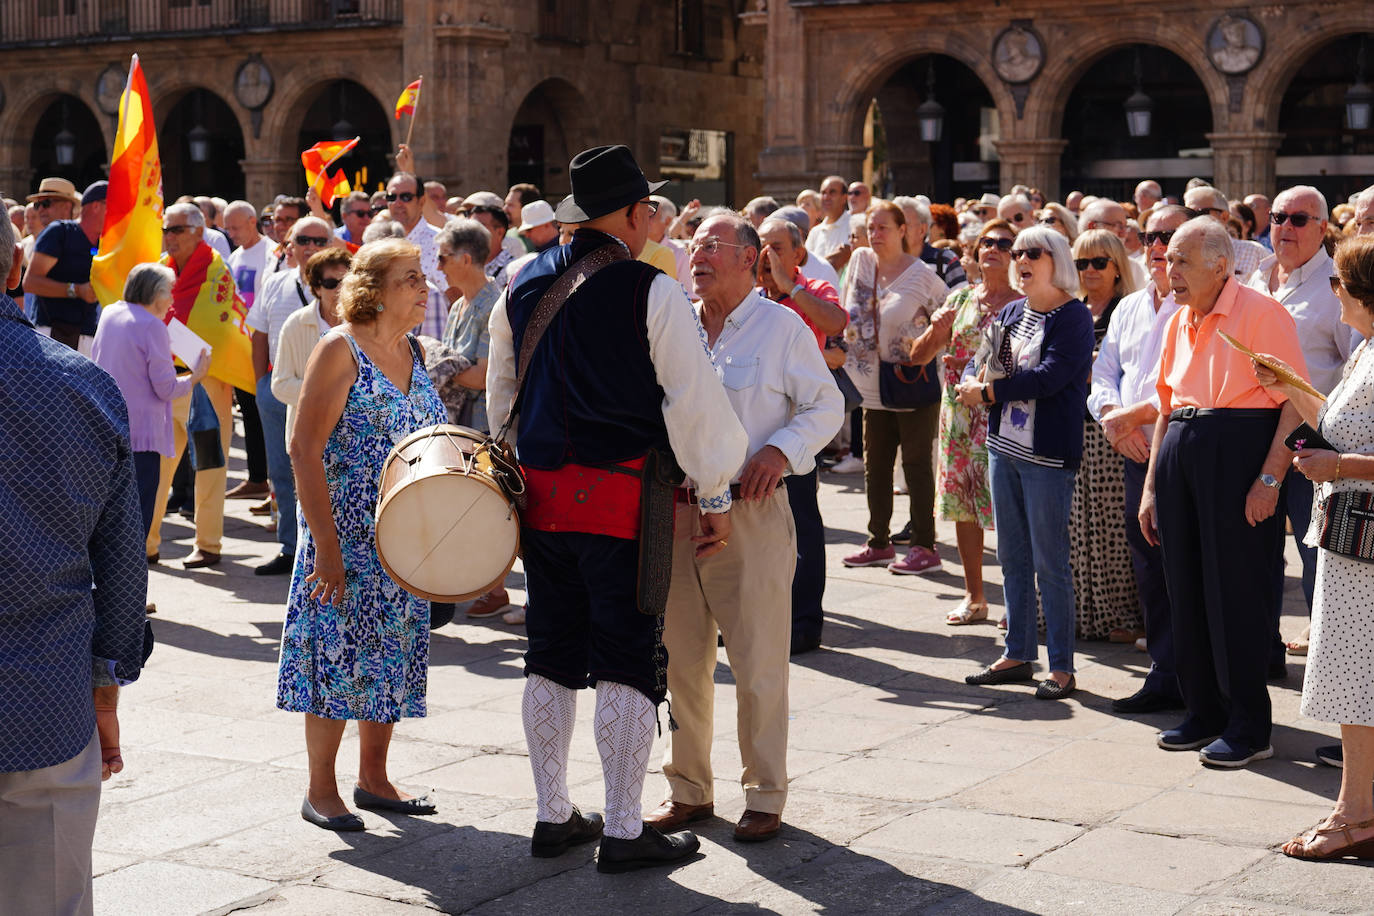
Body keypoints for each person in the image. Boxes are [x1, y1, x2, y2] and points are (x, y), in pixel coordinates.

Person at [486, 144, 747, 872]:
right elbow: (695, 405)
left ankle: (551, 815)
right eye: (648, 209)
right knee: (627, 659)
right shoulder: (649, 287)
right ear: (633, 214)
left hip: (538, 501)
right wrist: (717, 492)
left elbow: (501, 402)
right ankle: (625, 830)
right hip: (620, 499)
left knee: (549, 653)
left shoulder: (518, 282)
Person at [647, 212, 843, 844]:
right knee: (681, 660)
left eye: (713, 246)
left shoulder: (782, 326)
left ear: (750, 259)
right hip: (676, 510)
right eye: (694, 245)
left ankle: (764, 793)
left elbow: (826, 404)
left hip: (752, 512)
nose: (698, 255)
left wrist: (779, 451)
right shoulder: (673, 321)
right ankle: (689, 789)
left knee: (758, 660)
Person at [0, 214, 147, 915]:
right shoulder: (83, 388)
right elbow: (122, 569)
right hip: (44, 694)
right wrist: (105, 690)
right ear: (14, 270)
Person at [277, 237, 447, 831]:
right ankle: (320, 788)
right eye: (409, 277)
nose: (424, 286)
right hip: (342, 538)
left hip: (402, 540)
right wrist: (324, 547)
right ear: (372, 289)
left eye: (423, 276)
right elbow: (303, 448)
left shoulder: (417, 352)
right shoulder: (338, 350)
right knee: (335, 661)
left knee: (390, 657)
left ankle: (374, 778)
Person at [1139, 217, 1309, 768]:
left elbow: (1293, 404)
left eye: (1181, 260)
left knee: (1236, 590)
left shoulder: (1262, 314)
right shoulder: (1176, 321)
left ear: (1220, 265)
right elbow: (1167, 407)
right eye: (1166, 261)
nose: (1169, 270)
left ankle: (1249, 724)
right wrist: (1150, 490)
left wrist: (1269, 478)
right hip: (1181, 450)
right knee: (1184, 587)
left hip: (1239, 453)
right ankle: (1204, 709)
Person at [1259, 235, 1374, 861]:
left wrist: (1342, 464)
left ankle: (1355, 815)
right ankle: (1358, 808)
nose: (1334, 293)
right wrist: (1288, 386)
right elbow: (1334, 419)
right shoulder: (1365, 348)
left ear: (1360, 293)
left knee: (1360, 680)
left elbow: (1343, 447)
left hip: (1366, 543)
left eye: (1341, 284)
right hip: (1350, 541)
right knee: (1359, 679)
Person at [956, 226, 1094, 700]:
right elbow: (988, 360)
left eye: (1032, 252)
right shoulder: (1013, 310)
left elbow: (1052, 377)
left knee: (1049, 561)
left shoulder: (1074, 316)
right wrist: (975, 380)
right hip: (1004, 448)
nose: (1020, 259)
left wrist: (989, 392)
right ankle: (1017, 653)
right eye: (1017, 253)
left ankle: (1061, 666)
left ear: (1056, 259)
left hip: (1047, 455)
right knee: (1011, 557)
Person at [1090, 204, 1191, 714]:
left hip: (1179, 448)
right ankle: (1165, 671)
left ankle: (1198, 676)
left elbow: (1183, 386)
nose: (1157, 245)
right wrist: (1113, 418)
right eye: (1151, 234)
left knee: (1186, 566)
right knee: (1149, 565)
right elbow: (1104, 372)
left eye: (1169, 235)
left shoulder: (1198, 306)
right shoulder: (1129, 307)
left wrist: (1126, 418)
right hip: (1132, 449)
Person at [1246, 185, 1354, 656]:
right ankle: (1263, 654)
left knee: (1314, 561)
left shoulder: (1337, 287)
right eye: (1278, 217)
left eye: (1299, 220)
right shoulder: (1254, 276)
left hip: (1310, 440)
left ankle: (1332, 675)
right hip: (1246, 434)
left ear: (1323, 228)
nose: (1285, 227)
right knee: (1255, 561)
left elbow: (1354, 369)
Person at [839, 201, 950, 575]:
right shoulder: (861, 263)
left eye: (884, 227)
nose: (876, 234)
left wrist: (923, 351)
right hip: (869, 385)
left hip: (910, 384)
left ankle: (924, 546)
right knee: (877, 466)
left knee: (917, 466)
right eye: (871, 227)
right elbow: (845, 311)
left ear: (903, 230)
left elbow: (949, 320)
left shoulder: (922, 277)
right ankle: (878, 542)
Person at [755, 216, 847, 653]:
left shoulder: (812, 289)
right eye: (760, 245)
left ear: (798, 255)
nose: (766, 254)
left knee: (801, 527)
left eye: (776, 246)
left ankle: (805, 623)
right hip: (752, 433)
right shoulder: (747, 299)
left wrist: (790, 289)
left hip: (795, 434)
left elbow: (833, 320)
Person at [145, 202, 246, 570]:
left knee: (209, 464)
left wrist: (164, 332)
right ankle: (147, 541)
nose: (168, 237)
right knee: (157, 465)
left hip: (207, 383)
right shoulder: (162, 268)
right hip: (165, 380)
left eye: (177, 230)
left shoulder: (217, 270)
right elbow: (146, 316)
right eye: (166, 230)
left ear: (199, 232)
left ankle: (208, 543)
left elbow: (214, 330)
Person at [428, 219, 513, 624]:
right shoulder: (461, 303)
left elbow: (482, 374)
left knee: (485, 506)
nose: (438, 265)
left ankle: (495, 588)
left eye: (443, 257)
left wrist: (441, 364)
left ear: (465, 258)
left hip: (482, 424)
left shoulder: (492, 303)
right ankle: (487, 586)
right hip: (463, 420)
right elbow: (461, 364)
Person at [934, 220, 1019, 625]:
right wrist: (938, 338)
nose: (994, 248)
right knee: (965, 509)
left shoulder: (1027, 302)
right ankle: (975, 597)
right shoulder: (961, 299)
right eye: (987, 241)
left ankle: (1018, 599)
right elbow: (919, 353)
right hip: (959, 419)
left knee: (1011, 511)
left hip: (1006, 418)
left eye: (1005, 243)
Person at [92, 262, 211, 540]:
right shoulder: (152, 327)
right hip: (141, 437)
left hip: (106, 428)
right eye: (169, 292)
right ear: (156, 294)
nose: (171, 299)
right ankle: (128, 581)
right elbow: (166, 389)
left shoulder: (111, 312)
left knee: (108, 521)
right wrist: (196, 377)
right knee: (135, 523)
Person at [246, 217, 334, 576]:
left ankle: (326, 550)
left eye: (319, 239)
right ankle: (290, 548)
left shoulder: (345, 285)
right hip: (280, 389)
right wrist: (259, 386)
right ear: (289, 244)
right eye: (303, 239)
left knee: (327, 474)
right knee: (282, 472)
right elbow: (258, 334)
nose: (311, 245)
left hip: (333, 399)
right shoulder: (275, 283)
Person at [1066, 229, 1143, 640]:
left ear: (1117, 267)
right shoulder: (1072, 310)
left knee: (1113, 526)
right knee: (1077, 525)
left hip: (1112, 431)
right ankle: (1083, 613)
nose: (1090, 270)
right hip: (1072, 428)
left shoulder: (1126, 310)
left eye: (1099, 262)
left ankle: (1121, 617)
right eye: (1082, 263)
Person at [272, 247, 349, 450]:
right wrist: (330, 394)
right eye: (332, 283)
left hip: (355, 442)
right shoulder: (295, 325)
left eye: (346, 282)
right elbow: (280, 385)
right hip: (309, 441)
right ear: (317, 287)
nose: (340, 290)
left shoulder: (365, 325)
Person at [23, 179, 103, 353]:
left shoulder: (101, 239)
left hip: (86, 334)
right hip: (53, 334)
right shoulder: (58, 232)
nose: (40, 210)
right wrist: (76, 290)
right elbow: (30, 283)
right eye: (37, 205)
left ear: (67, 206)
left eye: (46, 203)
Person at [1184, 186, 1268, 281]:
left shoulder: (1254, 252)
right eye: (1188, 214)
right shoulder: (1179, 255)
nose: (1193, 220)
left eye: (1200, 213)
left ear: (1224, 216)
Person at [896, 196, 967, 290]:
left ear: (922, 230)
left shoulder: (946, 260)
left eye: (906, 225)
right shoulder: (882, 262)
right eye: (895, 225)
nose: (899, 230)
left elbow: (961, 300)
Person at [1080, 198, 1151, 288]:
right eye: (1118, 226)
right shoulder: (1065, 262)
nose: (1124, 233)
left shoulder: (1133, 268)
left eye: (1126, 226)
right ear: (1093, 227)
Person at [807, 176, 853, 273]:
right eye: (823, 193)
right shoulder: (815, 232)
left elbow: (838, 260)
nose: (826, 197)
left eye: (832, 192)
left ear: (844, 198)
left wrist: (814, 266)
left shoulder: (853, 224)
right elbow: (805, 265)